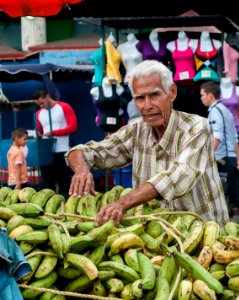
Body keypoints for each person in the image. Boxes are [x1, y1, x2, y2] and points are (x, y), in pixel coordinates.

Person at [65, 60, 229, 228]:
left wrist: (122, 203)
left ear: (171, 92)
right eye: (140, 98)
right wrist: (81, 169)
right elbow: (89, 151)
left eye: (154, 95)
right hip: (158, 236)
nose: (147, 106)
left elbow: (178, 176)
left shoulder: (197, 127)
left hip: (203, 232)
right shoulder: (136, 131)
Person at [200, 81, 239, 220]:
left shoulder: (215, 112)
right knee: (230, 192)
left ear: (210, 95)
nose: (201, 98)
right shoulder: (226, 111)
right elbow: (234, 137)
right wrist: (238, 157)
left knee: (231, 192)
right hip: (230, 157)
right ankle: (236, 219)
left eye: (202, 95)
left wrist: (206, 155)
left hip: (222, 158)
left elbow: (217, 136)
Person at [33, 88, 78, 197]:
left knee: (64, 181)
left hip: (62, 149)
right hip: (46, 150)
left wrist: (54, 132)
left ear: (48, 97)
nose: (41, 106)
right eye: (39, 104)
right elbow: (39, 131)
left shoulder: (63, 107)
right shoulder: (39, 113)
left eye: (42, 103)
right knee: (48, 182)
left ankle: (67, 203)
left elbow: (73, 127)